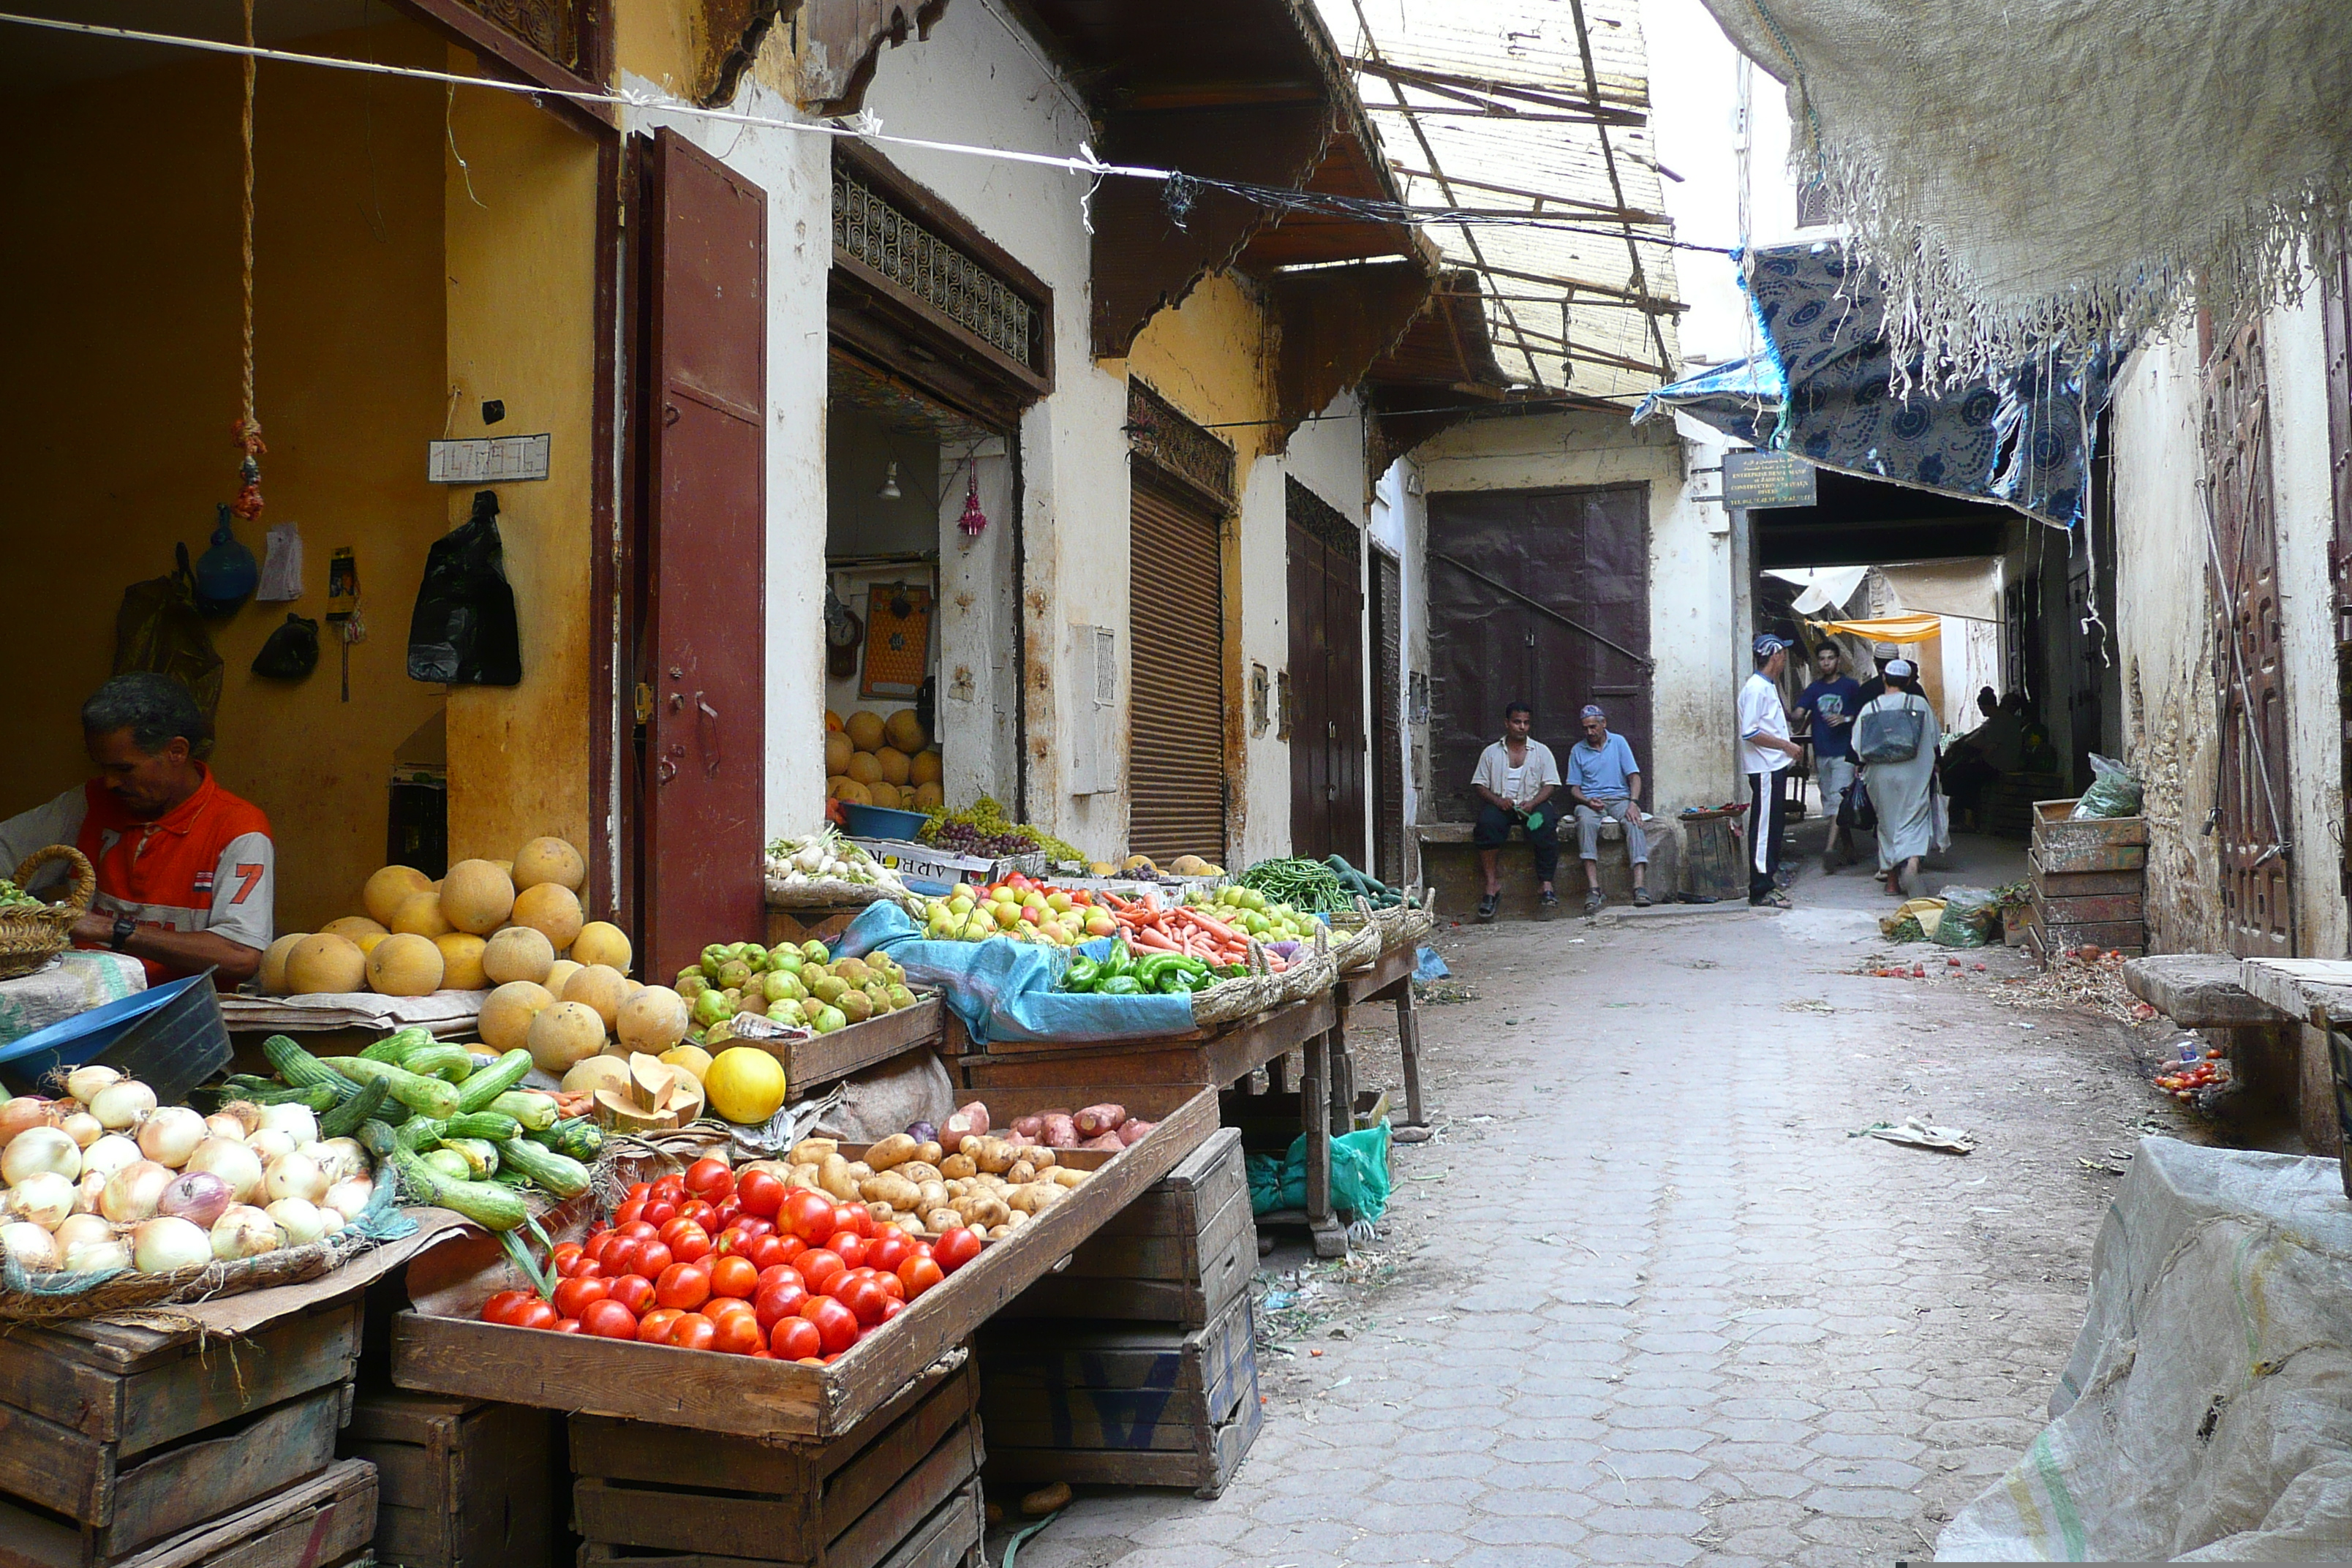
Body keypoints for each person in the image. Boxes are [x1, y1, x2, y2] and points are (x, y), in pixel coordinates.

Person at [0, 674, 274, 987]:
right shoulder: (89, 803)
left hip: (180, 1014)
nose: (110, 782)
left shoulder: (238, 828)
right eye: (102, 768)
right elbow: (5, 851)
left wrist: (112, 930)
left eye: (124, 769)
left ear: (177, 752)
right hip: (86, 1005)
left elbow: (241, 955)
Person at [1855, 658, 1942, 896]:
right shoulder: (1920, 705)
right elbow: (1934, 739)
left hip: (1880, 778)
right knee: (1914, 821)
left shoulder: (1870, 708)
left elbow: (1858, 747)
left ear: (1884, 678)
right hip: (1914, 776)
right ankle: (1912, 865)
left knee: (1887, 825)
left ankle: (1892, 883)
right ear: (1908, 681)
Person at [1471, 701, 1564, 919]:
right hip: (1502, 807)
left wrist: (1533, 803)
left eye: (1526, 723)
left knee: (1545, 824)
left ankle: (1546, 885)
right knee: (1487, 826)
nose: (1522, 727)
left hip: (1531, 808)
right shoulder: (1491, 752)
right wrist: (1497, 800)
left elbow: (1551, 784)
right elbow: (1479, 784)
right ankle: (1492, 886)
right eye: (1517, 722)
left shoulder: (1541, 752)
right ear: (1507, 723)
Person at [1738, 636, 1804, 908]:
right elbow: (1751, 732)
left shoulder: (1767, 686)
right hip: (1765, 767)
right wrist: (1786, 746)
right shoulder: (1756, 689)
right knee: (1765, 828)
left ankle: (1768, 882)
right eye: (1783, 653)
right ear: (1775, 656)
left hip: (1773, 767)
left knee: (1774, 825)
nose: (1785, 658)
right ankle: (1761, 888)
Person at [1564, 704, 1648, 914]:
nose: (1590, 732)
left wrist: (1633, 803)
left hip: (1620, 799)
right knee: (1584, 823)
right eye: (1585, 728)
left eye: (1593, 727)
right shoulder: (1578, 750)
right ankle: (1594, 888)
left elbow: (1634, 777)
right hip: (1591, 802)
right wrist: (1587, 801)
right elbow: (1574, 788)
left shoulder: (1618, 742)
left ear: (1604, 724)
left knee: (1634, 822)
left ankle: (1639, 887)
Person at [1794, 643, 1863, 872]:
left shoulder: (1851, 687)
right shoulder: (1813, 689)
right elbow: (1798, 714)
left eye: (1830, 658)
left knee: (1838, 801)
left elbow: (1864, 715)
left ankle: (1830, 849)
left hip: (1844, 753)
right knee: (1833, 804)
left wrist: (1845, 719)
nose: (1826, 663)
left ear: (1838, 661)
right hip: (1822, 753)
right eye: (1822, 659)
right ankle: (1850, 848)